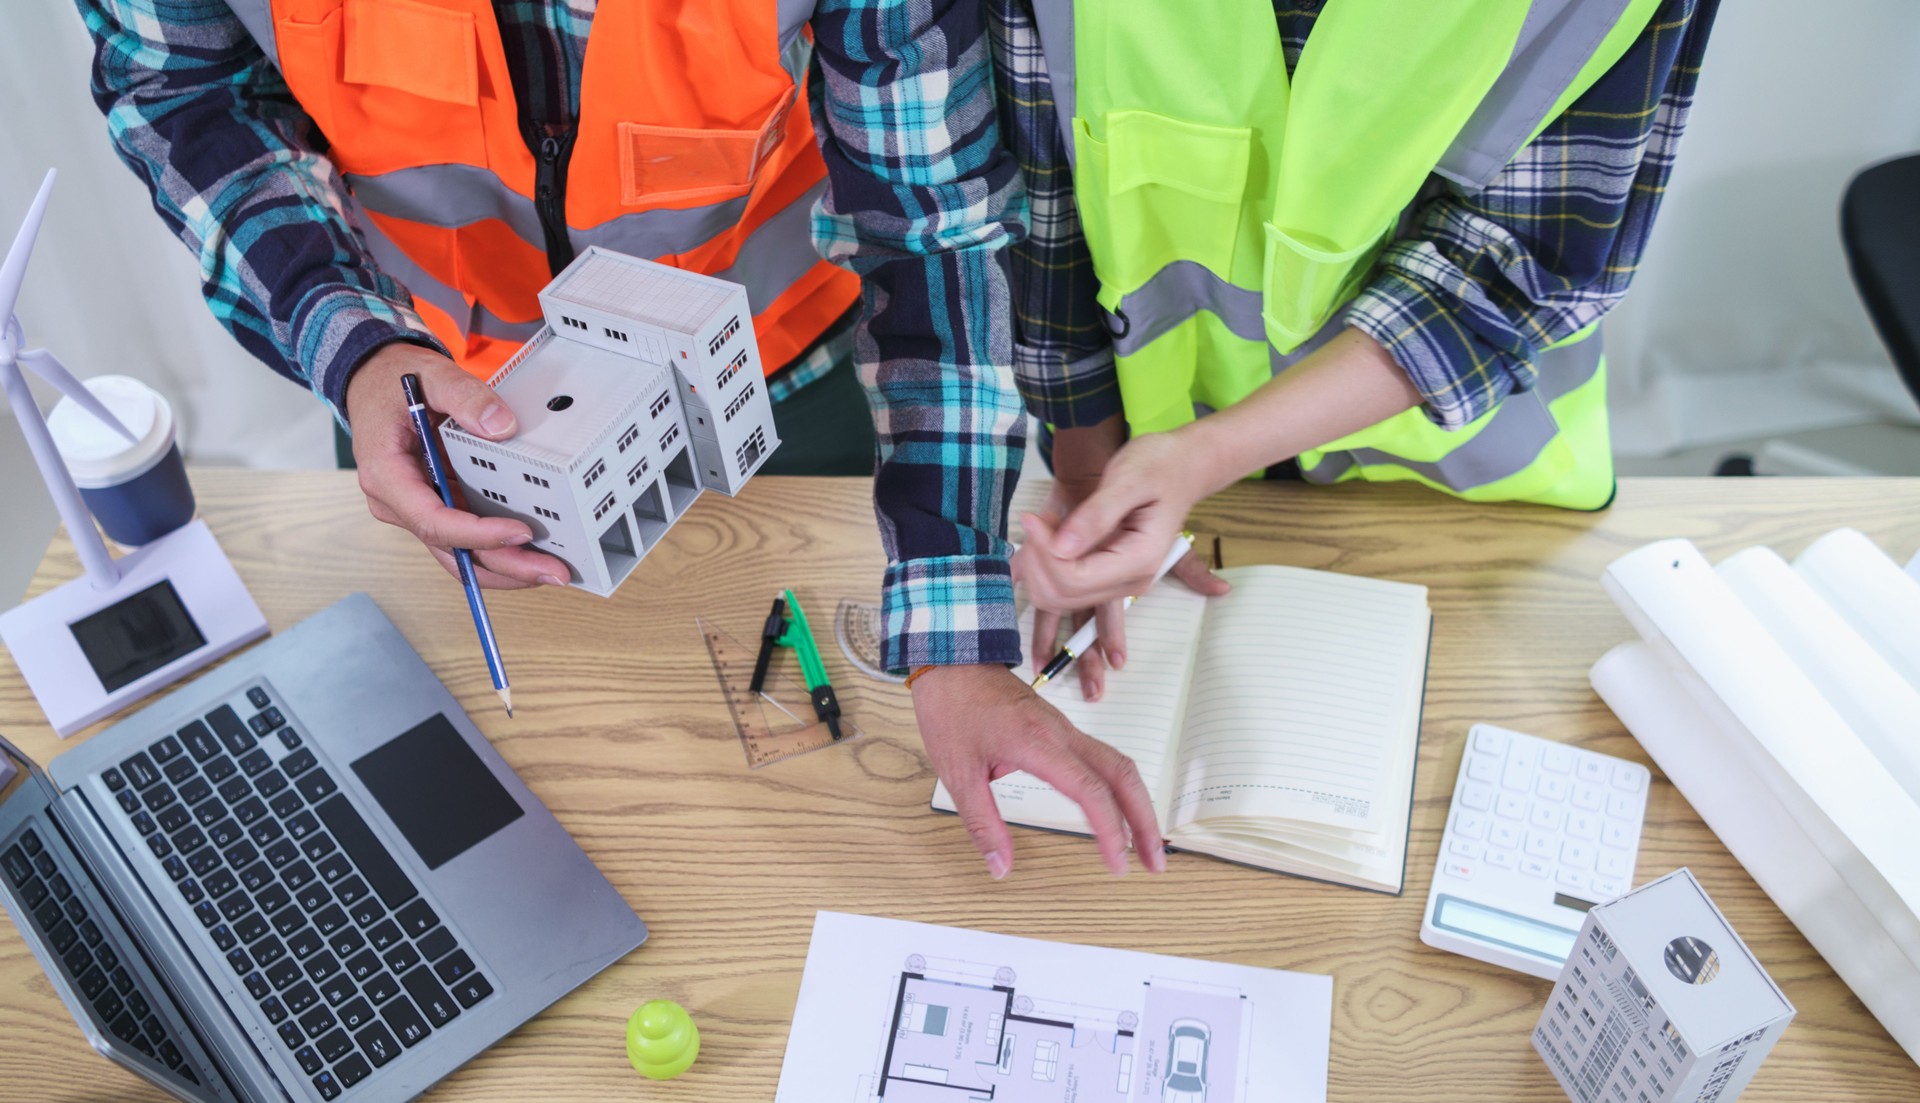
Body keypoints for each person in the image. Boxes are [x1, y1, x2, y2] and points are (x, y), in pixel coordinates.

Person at [843, 0, 1720, 877]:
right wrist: (1087, 466)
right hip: (1167, 450)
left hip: (1461, 490)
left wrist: (1201, 455)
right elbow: (1045, 199)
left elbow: (1519, 260)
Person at [73, 0, 898, 590]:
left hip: (787, 366)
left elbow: (928, 171)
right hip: (420, 396)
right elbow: (182, 90)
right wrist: (354, 345)